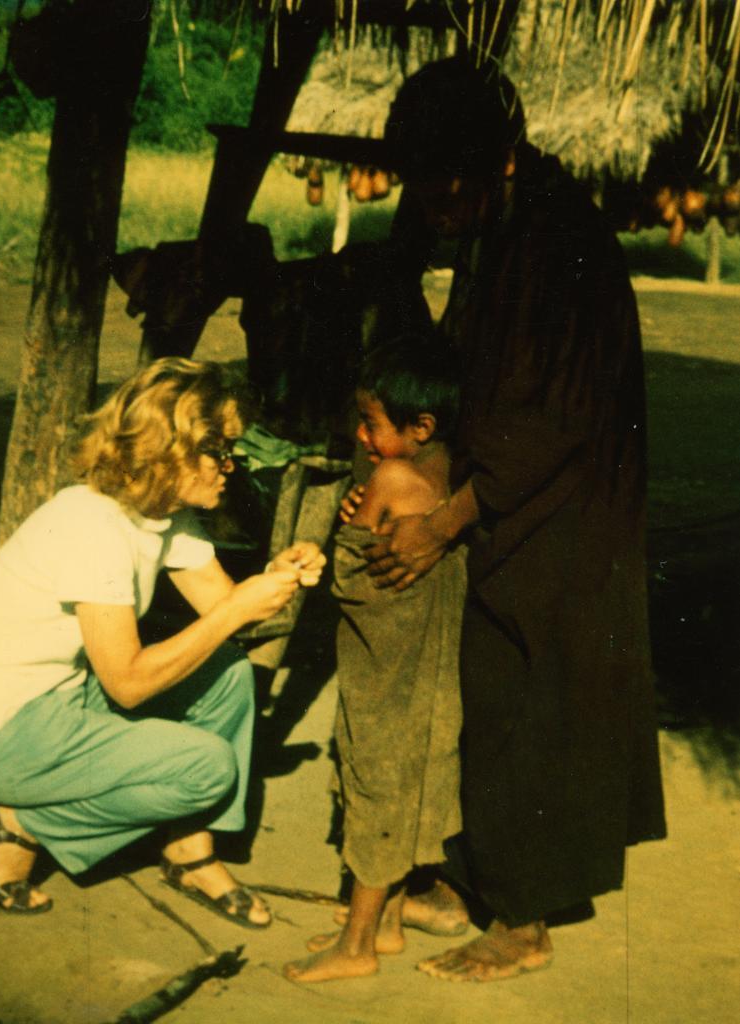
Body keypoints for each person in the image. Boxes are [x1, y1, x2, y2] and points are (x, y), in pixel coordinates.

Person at [356, 58, 667, 981]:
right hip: (518, 497)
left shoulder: (557, 235)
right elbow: (478, 369)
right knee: (495, 690)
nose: (432, 202)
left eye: (442, 183)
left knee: (539, 698)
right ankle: (478, 877)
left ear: (485, 162)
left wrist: (446, 517)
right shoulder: (506, 222)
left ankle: (523, 921)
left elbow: (553, 416)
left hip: (568, 508)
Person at [0, 357, 325, 924]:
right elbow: (129, 683)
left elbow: (228, 611)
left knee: (229, 676)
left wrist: (277, 578)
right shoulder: (94, 528)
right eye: (220, 453)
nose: (231, 468)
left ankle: (190, 850)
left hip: (57, 700)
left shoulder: (161, 516)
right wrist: (235, 610)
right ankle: (19, 824)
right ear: (172, 451)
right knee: (206, 767)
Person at [284, 339, 466, 982]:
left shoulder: (390, 478)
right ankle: (386, 923)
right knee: (406, 779)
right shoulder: (451, 479)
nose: (361, 437)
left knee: (376, 784)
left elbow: (350, 579)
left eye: (373, 425)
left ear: (421, 428)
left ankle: (357, 945)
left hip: (385, 674)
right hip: (426, 677)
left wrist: (348, 529)